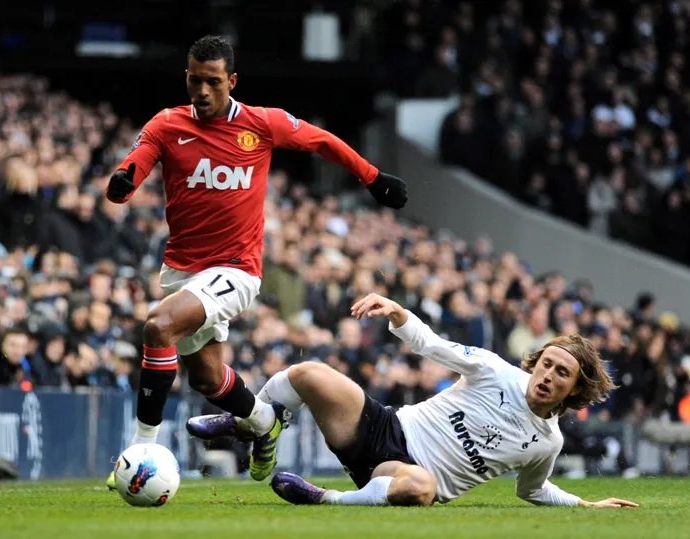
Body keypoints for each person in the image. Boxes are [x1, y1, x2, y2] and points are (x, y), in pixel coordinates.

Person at [104, 36, 408, 490]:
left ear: (232, 81)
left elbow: (321, 141)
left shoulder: (261, 124)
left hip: (236, 270)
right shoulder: (167, 124)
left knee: (157, 327)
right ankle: (265, 421)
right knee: (207, 379)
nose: (202, 91)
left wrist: (373, 177)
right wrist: (123, 182)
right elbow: (135, 164)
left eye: (212, 82)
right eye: (194, 80)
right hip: (183, 271)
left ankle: (138, 451)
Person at [191, 293, 639, 508]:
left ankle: (326, 498)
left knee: (423, 488)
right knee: (308, 373)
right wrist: (398, 312)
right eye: (547, 363)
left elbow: (532, 489)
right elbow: (432, 345)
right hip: (383, 427)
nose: (548, 375)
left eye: (561, 373)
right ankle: (256, 424)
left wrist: (584, 505)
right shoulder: (494, 369)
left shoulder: (547, 442)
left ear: (575, 390)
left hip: (402, 475)